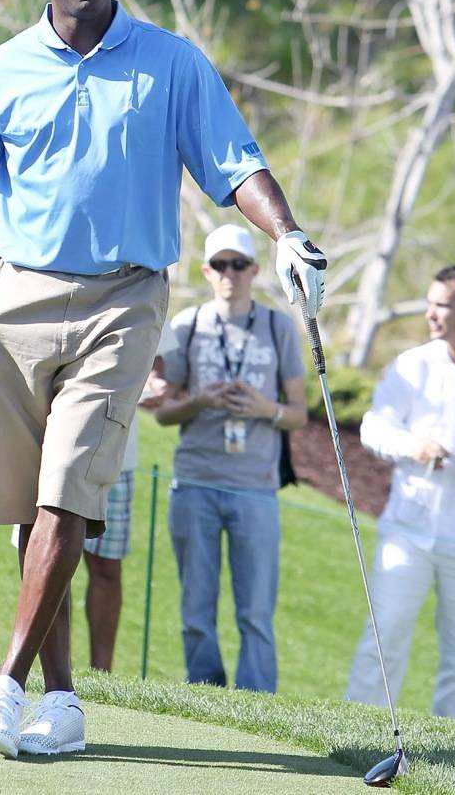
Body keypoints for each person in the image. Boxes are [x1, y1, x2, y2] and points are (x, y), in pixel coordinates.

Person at [0, 0, 326, 759]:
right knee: (24, 509)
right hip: (15, 299)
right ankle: (63, 698)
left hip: (124, 298)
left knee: (68, 492)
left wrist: (288, 233)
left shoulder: (170, 64)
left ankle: (3, 681)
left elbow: (233, 161)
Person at [155, 224, 307, 692]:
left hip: (256, 485)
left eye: (238, 265)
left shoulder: (279, 327)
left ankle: (258, 697)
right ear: (206, 270)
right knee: (196, 605)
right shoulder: (188, 325)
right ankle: (204, 689)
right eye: (220, 265)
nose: (230, 274)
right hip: (195, 480)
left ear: (255, 270)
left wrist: (264, 409)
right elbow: (163, 412)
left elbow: (299, 414)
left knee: (256, 609)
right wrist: (201, 400)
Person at [346, 266, 455, 717]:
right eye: (430, 302)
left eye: (443, 305)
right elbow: (374, 428)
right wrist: (414, 446)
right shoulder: (414, 364)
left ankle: (451, 750)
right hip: (407, 532)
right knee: (384, 637)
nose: (431, 313)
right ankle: (356, 731)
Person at [82, 323, 175, 671]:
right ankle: (45, 664)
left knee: (106, 567)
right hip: (51, 444)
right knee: (45, 561)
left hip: (117, 452)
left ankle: (100, 673)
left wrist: (156, 384)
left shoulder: (145, 271)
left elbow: (157, 361)